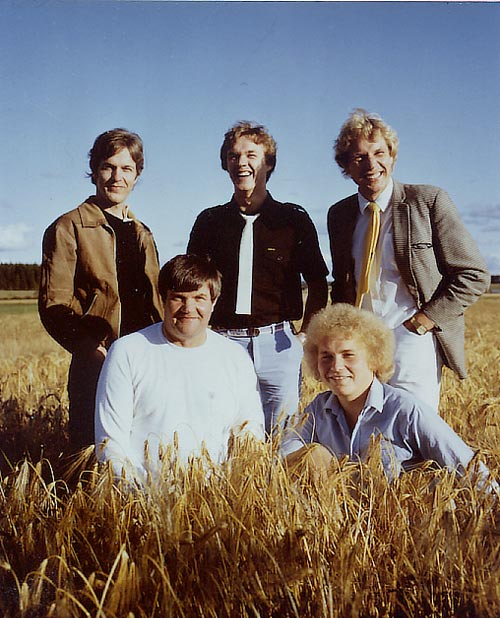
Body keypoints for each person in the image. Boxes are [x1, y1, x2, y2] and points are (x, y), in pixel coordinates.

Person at [327, 109, 490, 411]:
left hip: (411, 339)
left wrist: (421, 322)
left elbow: (474, 274)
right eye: (359, 157)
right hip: (360, 344)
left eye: (379, 153)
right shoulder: (339, 214)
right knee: (366, 430)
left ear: (392, 157)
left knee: (414, 426)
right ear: (346, 165)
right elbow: (341, 283)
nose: (371, 164)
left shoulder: (427, 201)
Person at [188, 121, 329, 435]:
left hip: (278, 344)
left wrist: (304, 337)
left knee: (284, 436)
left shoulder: (293, 220)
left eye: (251, 155)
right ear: (225, 164)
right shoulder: (209, 222)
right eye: (233, 156)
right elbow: (192, 285)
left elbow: (318, 283)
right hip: (223, 342)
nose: (241, 163)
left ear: (268, 164)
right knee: (222, 431)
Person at [39, 128, 163, 452]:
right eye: (108, 167)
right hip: (97, 362)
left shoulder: (143, 233)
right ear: (94, 170)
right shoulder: (68, 227)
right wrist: (90, 348)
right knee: (91, 453)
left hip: (144, 360)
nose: (117, 177)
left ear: (137, 175)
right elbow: (54, 304)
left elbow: (156, 302)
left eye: (126, 169)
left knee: (145, 451)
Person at [281, 304, 496, 489]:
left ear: (373, 358)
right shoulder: (317, 409)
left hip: (404, 520)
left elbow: (467, 466)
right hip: (342, 521)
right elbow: (285, 455)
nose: (336, 366)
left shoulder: (405, 410)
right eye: (326, 357)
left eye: (348, 355)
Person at [95, 254, 264, 482]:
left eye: (199, 298)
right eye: (178, 298)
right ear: (162, 300)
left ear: (214, 302)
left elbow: (250, 435)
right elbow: (110, 444)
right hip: (143, 495)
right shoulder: (127, 351)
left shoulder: (235, 357)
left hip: (217, 495)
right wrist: (138, 495)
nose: (188, 308)